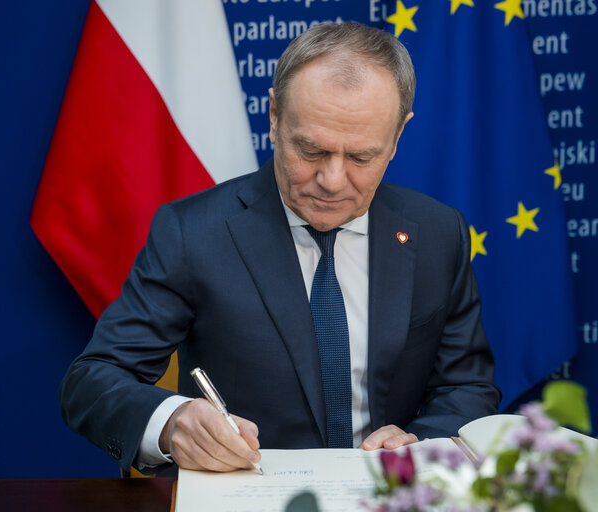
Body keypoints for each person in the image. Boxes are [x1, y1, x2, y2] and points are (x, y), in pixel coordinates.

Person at [59, 22, 500, 475]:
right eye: (310, 150)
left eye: (361, 158)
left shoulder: (437, 232)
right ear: (273, 116)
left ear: (397, 137)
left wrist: (421, 446)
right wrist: (171, 422)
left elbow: (467, 385)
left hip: (392, 496)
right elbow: (93, 380)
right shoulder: (193, 233)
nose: (331, 180)